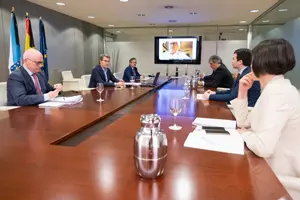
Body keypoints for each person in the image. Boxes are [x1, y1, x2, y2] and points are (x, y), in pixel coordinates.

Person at [231, 39, 300, 199]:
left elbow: (263, 147)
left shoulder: (279, 93)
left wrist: (244, 133)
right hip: (266, 166)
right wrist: (242, 91)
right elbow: (243, 122)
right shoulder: (274, 88)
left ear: (260, 62)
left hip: (276, 177)